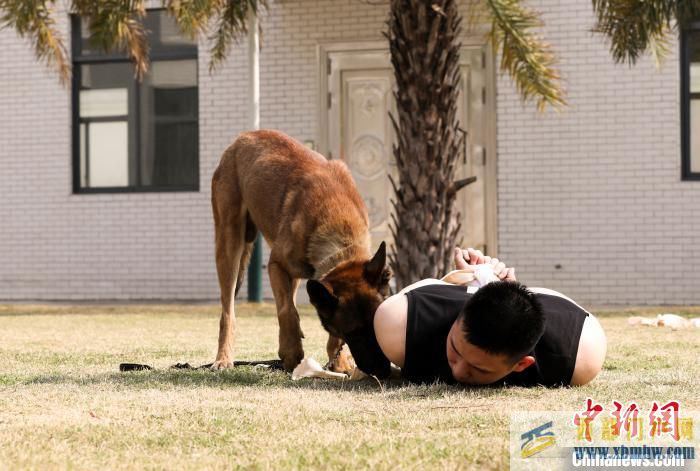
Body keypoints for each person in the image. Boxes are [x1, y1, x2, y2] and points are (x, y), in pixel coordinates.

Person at [373, 248, 607, 387]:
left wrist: (509, 291)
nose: (459, 372)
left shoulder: (578, 356)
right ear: (455, 319)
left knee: (528, 297)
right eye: (455, 349)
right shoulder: (399, 325)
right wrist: (464, 276)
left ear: (521, 364)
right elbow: (424, 291)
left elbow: (549, 299)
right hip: (453, 299)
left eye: (480, 369)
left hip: (534, 306)